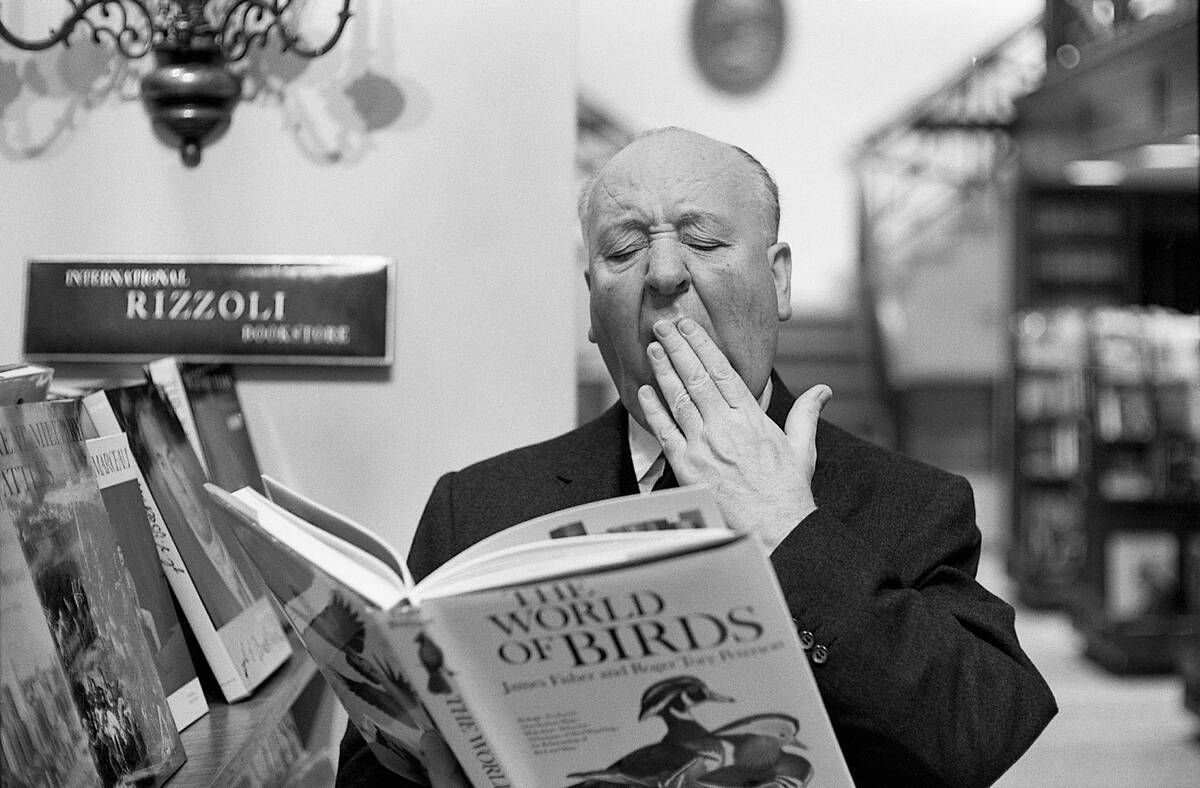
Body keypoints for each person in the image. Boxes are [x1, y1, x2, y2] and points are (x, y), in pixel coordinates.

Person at [336, 127, 1057, 787]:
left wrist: (790, 533)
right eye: (622, 251)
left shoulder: (912, 504)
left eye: (703, 242)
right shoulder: (477, 510)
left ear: (778, 281)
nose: (664, 274)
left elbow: (980, 735)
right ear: (591, 304)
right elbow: (370, 770)